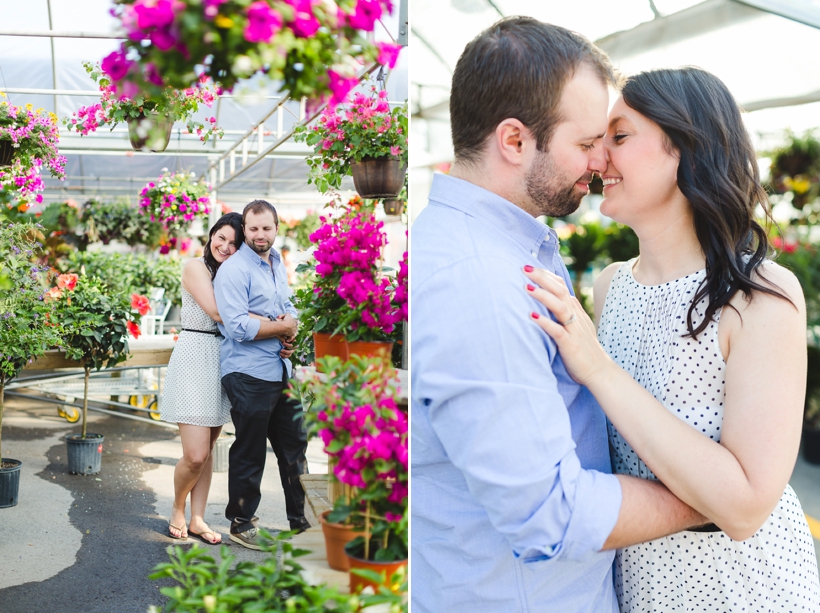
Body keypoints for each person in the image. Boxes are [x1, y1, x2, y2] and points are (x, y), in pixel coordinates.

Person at [411, 17, 708, 613]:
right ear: (515, 141)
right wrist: (716, 498)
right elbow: (550, 513)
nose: (601, 161)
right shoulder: (477, 280)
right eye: (586, 142)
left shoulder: (510, 250)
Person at [524, 67, 820, 610]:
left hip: (746, 588)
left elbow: (748, 505)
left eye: (619, 136)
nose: (597, 157)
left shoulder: (761, 294)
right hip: (640, 582)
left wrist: (598, 368)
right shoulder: (610, 285)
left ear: (684, 147)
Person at [213, 199, 310, 550]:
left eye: (266, 228)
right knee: (250, 450)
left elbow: (286, 306)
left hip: (279, 368)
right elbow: (238, 326)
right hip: (247, 372)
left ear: (276, 229)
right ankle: (241, 523)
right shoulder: (234, 271)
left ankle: (303, 521)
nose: (259, 235)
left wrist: (290, 328)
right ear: (245, 231)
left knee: (295, 445)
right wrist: (280, 326)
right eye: (252, 229)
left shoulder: (276, 263)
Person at [162, 212, 245, 545]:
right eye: (220, 237)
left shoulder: (236, 273)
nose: (224, 246)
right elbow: (216, 312)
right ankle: (178, 508)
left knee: (208, 449)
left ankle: (198, 518)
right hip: (195, 355)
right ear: (211, 235)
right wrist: (267, 323)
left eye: (233, 243)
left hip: (221, 359)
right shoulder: (195, 266)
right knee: (194, 454)